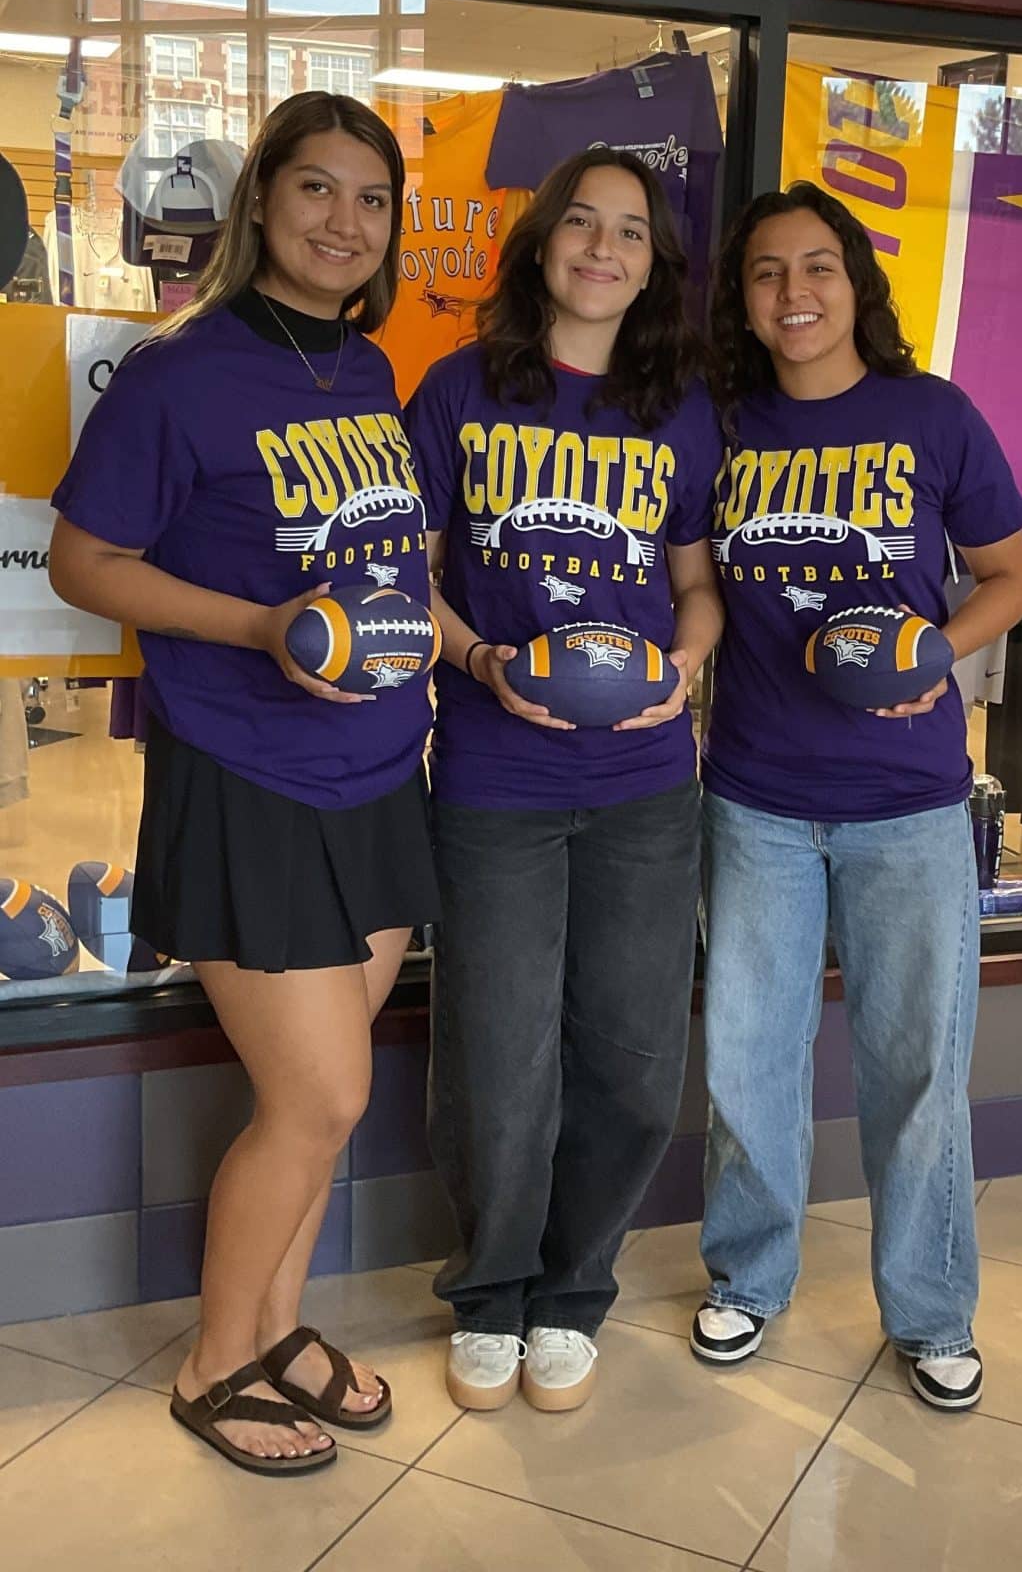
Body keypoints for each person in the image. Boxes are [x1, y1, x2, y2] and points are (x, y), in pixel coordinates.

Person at [49, 92, 438, 1475]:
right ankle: (215, 1366)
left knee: (321, 1093)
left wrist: (469, 652)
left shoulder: (371, 371)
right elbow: (85, 565)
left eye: (373, 199)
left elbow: (391, 568)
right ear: (262, 200)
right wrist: (265, 628)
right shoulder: (178, 375)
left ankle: (275, 1326)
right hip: (248, 774)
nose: (346, 221)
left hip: (382, 770)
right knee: (320, 1099)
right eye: (319, 190)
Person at [692, 180, 1022, 1411]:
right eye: (768, 272)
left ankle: (931, 1308)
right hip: (755, 797)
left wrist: (936, 649)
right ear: (742, 298)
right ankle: (748, 1273)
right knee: (748, 1059)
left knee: (917, 1069)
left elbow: (1008, 575)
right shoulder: (721, 425)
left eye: (818, 267)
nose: (794, 293)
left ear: (855, 284)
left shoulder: (929, 415)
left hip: (907, 803)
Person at [407, 146, 724, 1414]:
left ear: (654, 264)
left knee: (635, 1055)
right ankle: (489, 1295)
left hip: (646, 778)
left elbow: (696, 587)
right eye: (581, 224)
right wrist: (481, 654)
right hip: (495, 775)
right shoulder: (459, 391)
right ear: (541, 243)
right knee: (495, 1051)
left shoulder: (681, 405)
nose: (603, 247)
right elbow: (409, 578)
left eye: (631, 232)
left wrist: (681, 670)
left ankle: (571, 1289)